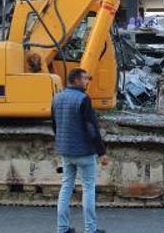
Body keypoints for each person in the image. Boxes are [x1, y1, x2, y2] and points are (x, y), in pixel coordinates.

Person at [52, 68, 108, 233]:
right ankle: (90, 229)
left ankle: (62, 228)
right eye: (85, 78)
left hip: (66, 152)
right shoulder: (83, 99)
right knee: (89, 188)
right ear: (76, 80)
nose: (87, 81)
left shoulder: (56, 98)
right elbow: (91, 128)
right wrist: (102, 152)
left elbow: (55, 125)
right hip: (84, 152)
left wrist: (62, 143)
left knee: (66, 187)